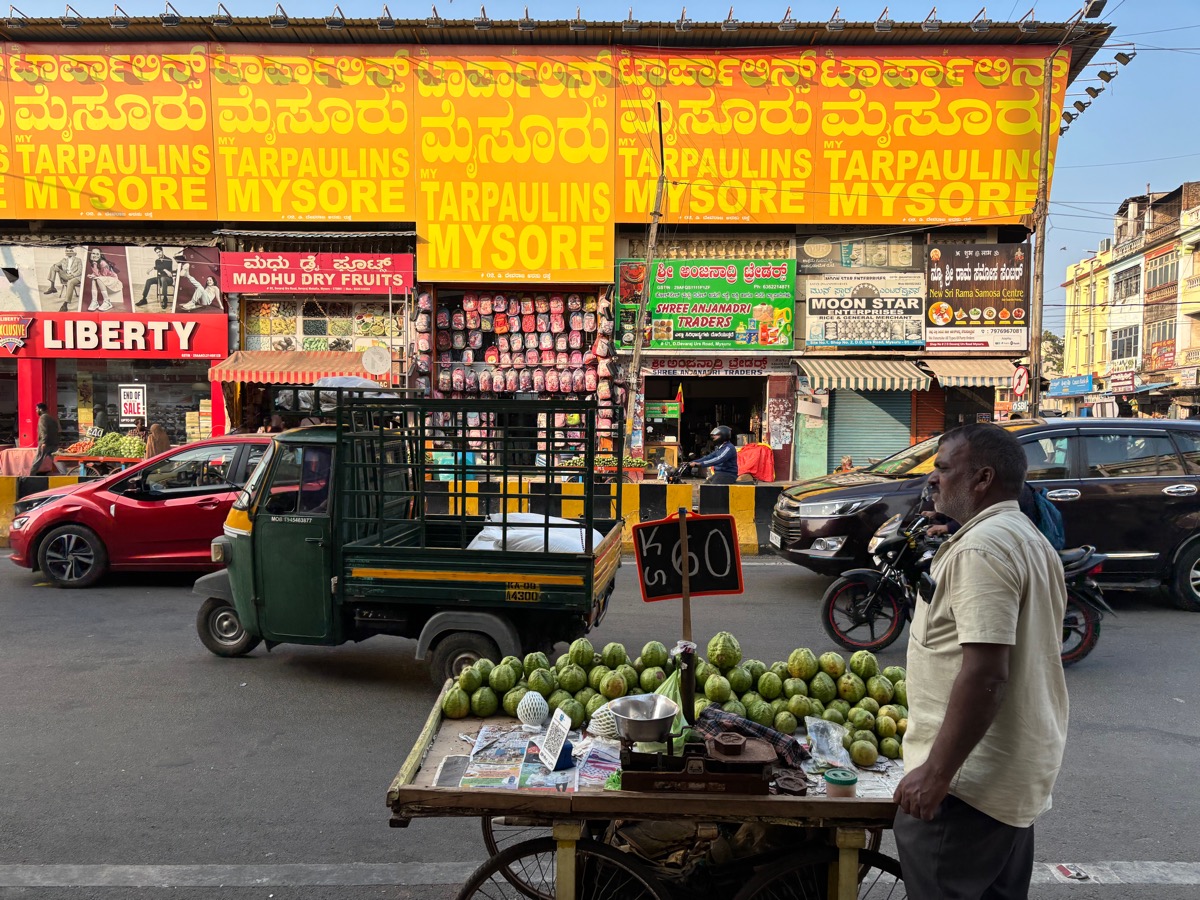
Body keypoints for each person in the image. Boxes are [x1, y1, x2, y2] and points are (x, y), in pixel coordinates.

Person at [893, 424, 1068, 900]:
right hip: (1006, 783)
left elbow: (986, 672)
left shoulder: (980, 549)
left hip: (966, 792)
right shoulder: (1026, 538)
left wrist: (936, 773)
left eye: (944, 468)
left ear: (982, 478)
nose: (933, 479)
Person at [44, 247, 83, 311]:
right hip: (66, 275)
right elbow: (55, 265)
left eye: (70, 251)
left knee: (70, 282)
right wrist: (56, 266)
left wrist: (73, 275)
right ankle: (52, 287)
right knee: (53, 267)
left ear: (74, 253)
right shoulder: (64, 260)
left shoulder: (78, 260)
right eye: (67, 251)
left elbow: (80, 271)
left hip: (75, 277)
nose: (68, 252)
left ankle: (65, 305)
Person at [30, 402, 60, 475]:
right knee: (56, 459)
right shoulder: (51, 418)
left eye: (36, 409)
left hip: (46, 443)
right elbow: (57, 429)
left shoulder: (43, 418)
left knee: (38, 459)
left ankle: (31, 475)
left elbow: (44, 431)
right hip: (53, 442)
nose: (36, 411)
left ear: (40, 409)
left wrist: (43, 442)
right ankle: (65, 473)